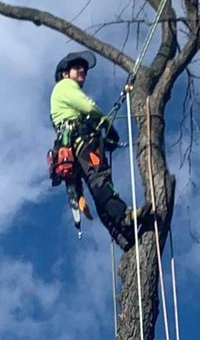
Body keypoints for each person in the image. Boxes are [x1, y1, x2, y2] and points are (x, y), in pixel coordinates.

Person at [48, 51, 149, 249]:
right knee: (100, 181)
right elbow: (88, 106)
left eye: (83, 68)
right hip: (82, 142)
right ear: (65, 73)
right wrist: (107, 126)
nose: (82, 70)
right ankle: (124, 217)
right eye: (77, 67)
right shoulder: (65, 86)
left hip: (74, 146)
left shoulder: (59, 97)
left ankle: (121, 235)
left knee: (96, 188)